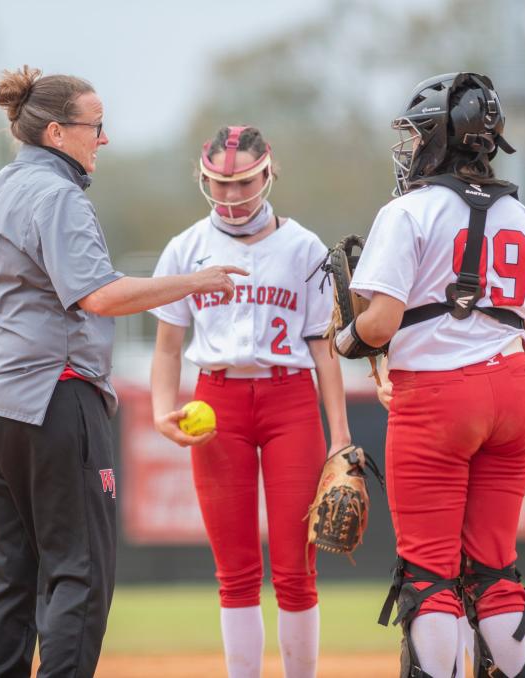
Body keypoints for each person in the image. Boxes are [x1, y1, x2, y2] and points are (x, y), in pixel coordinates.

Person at [0, 65, 247, 678]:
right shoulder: (57, 195)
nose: (103, 139)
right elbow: (99, 296)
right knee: (81, 569)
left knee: (6, 570)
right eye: (95, 126)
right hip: (52, 396)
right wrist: (197, 280)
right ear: (55, 133)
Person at [333, 73, 525, 678]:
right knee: (496, 566)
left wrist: (345, 337)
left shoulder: (407, 211)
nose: (408, 149)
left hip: (436, 398)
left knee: (429, 570)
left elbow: (378, 324)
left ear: (440, 139)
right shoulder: (524, 216)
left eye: (415, 136)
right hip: (513, 390)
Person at [148, 125, 350, 678]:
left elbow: (324, 347)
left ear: (268, 173)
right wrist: (161, 409)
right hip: (216, 400)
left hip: (290, 399)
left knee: (295, 568)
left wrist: (342, 437)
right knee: (235, 570)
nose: (232, 196)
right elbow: (167, 348)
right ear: (202, 178)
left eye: (243, 182)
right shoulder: (186, 247)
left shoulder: (303, 245)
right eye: (219, 183)